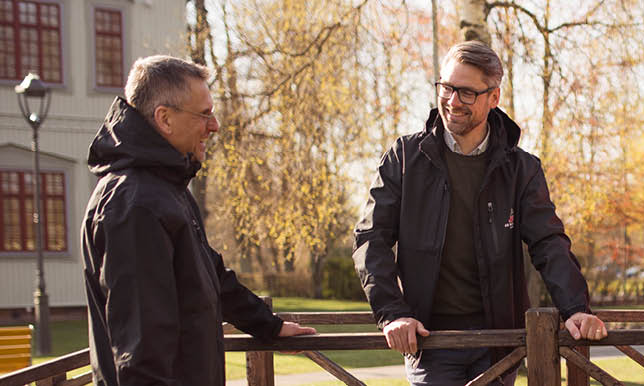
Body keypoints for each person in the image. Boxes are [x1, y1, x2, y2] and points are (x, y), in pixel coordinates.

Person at [352, 41, 606, 385]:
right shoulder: (404, 158)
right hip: (429, 338)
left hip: (499, 342)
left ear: (494, 97)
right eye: (446, 88)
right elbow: (371, 239)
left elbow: (548, 244)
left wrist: (576, 308)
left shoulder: (522, 169)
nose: (453, 101)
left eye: (467, 93)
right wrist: (393, 313)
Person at [81, 55, 317, 385]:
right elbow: (140, 355)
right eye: (204, 114)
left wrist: (269, 326)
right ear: (164, 119)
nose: (215, 125)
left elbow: (210, 275)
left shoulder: (165, 190)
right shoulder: (135, 205)